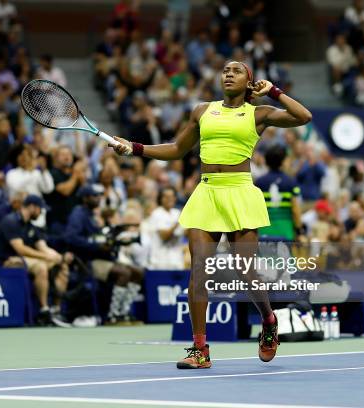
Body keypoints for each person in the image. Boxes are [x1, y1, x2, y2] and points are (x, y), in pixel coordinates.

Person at [111, 60, 312, 368]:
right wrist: (135, 148)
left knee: (246, 272)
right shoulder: (202, 111)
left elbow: (303, 116)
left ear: (248, 81)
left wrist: (274, 92)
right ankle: (200, 350)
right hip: (207, 193)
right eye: (225, 71)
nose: (228, 74)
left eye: (236, 71)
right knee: (199, 271)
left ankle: (269, 321)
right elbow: (177, 148)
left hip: (240, 192)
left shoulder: (258, 114)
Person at [65, 184, 144, 324]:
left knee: (138, 272)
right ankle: (113, 315)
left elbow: (98, 236)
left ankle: (124, 312)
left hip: (103, 258)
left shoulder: (92, 215)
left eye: (99, 196)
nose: (98, 199)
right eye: (94, 196)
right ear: (85, 198)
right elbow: (72, 238)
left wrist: (113, 241)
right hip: (88, 261)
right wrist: (97, 245)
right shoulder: (78, 214)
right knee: (124, 273)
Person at [0, 195, 72, 327]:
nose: (41, 212)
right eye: (40, 209)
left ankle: (56, 309)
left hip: (28, 260)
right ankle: (44, 311)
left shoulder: (31, 226)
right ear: (31, 207)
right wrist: (45, 257)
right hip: (9, 261)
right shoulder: (10, 221)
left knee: (62, 266)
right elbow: (20, 249)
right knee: (41, 266)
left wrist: (59, 257)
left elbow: (43, 247)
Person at [255, 145, 303, 241]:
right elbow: (295, 209)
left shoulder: (259, 182)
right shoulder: (291, 182)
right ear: (283, 162)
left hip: (263, 231)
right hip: (285, 231)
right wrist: (298, 230)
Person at [145, 187, 185, 270]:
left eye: (171, 197)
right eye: (166, 197)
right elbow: (164, 236)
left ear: (175, 198)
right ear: (161, 199)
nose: (169, 199)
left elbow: (186, 234)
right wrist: (179, 221)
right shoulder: (157, 213)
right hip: (160, 262)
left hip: (176, 261)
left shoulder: (177, 213)